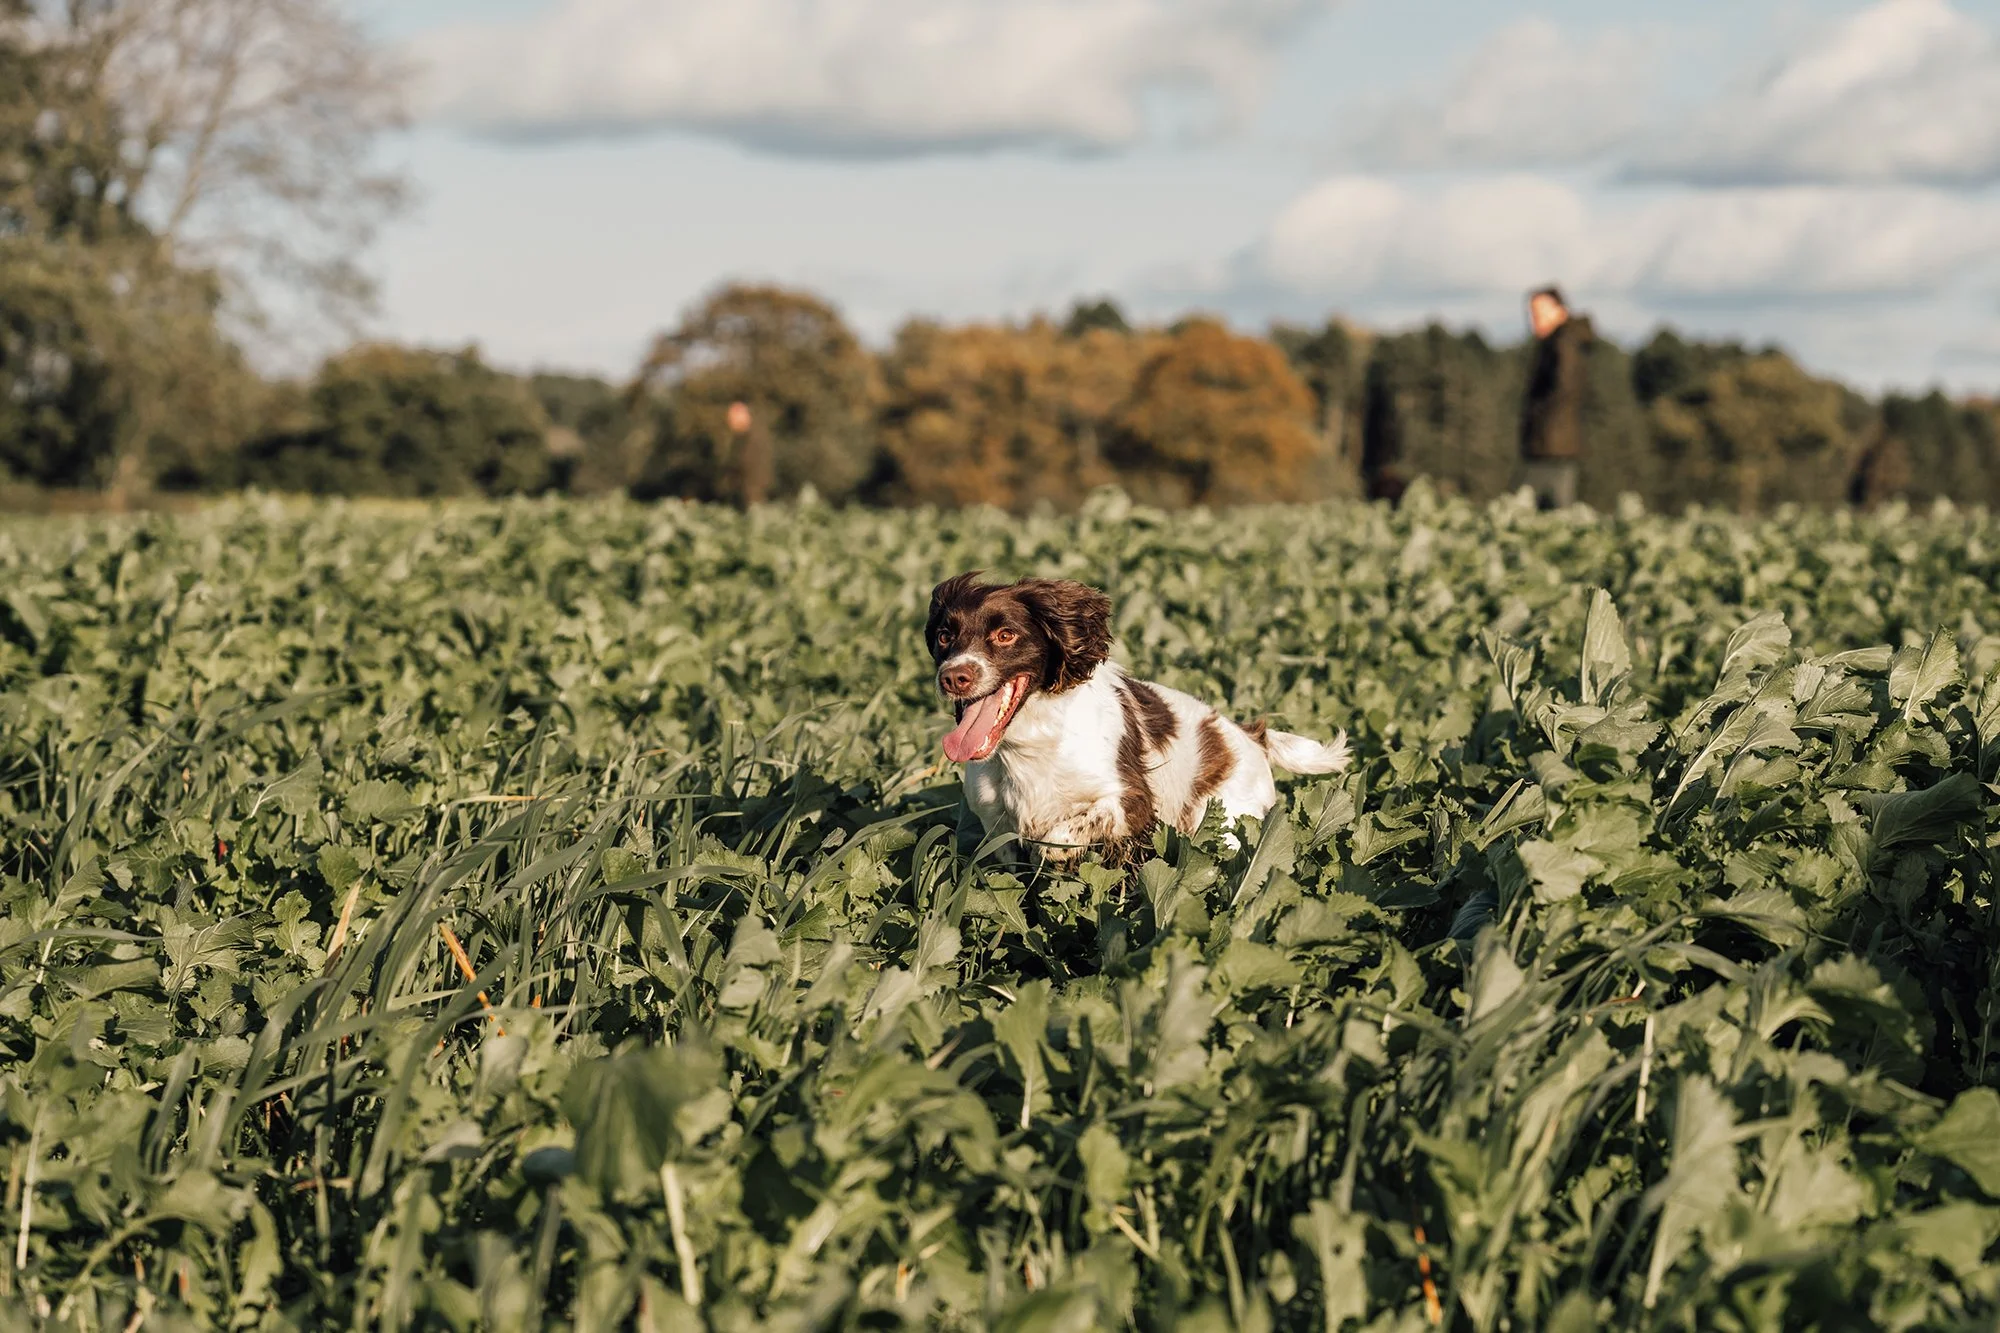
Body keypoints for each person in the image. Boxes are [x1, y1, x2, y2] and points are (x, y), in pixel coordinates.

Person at [1517, 286, 1593, 510]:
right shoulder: (1561, 341)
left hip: (1552, 446)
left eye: (1539, 312)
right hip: (1553, 444)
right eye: (1531, 313)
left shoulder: (1564, 342)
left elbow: (1564, 388)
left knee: (1527, 511)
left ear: (1559, 310)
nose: (1533, 320)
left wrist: (1539, 418)